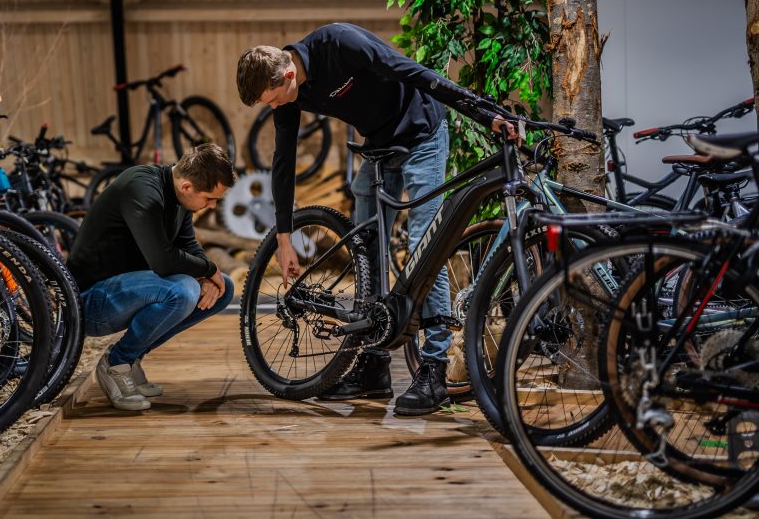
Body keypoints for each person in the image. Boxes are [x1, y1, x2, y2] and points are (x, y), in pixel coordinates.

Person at [236, 23, 516, 416]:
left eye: (274, 99)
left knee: (426, 246)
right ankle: (373, 364)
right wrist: (284, 238)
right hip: (379, 146)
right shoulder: (287, 95)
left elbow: (411, 71)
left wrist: (484, 113)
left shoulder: (339, 43)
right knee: (365, 250)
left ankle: (434, 369)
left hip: (421, 132)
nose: (275, 107)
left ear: (288, 74)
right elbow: (283, 162)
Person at [67, 143, 236, 411]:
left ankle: (132, 356)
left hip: (126, 292)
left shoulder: (179, 197)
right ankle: (116, 363)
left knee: (224, 287)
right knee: (183, 291)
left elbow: (188, 246)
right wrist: (208, 269)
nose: (213, 206)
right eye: (209, 199)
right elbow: (163, 261)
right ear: (187, 187)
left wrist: (209, 276)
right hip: (89, 302)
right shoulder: (142, 190)